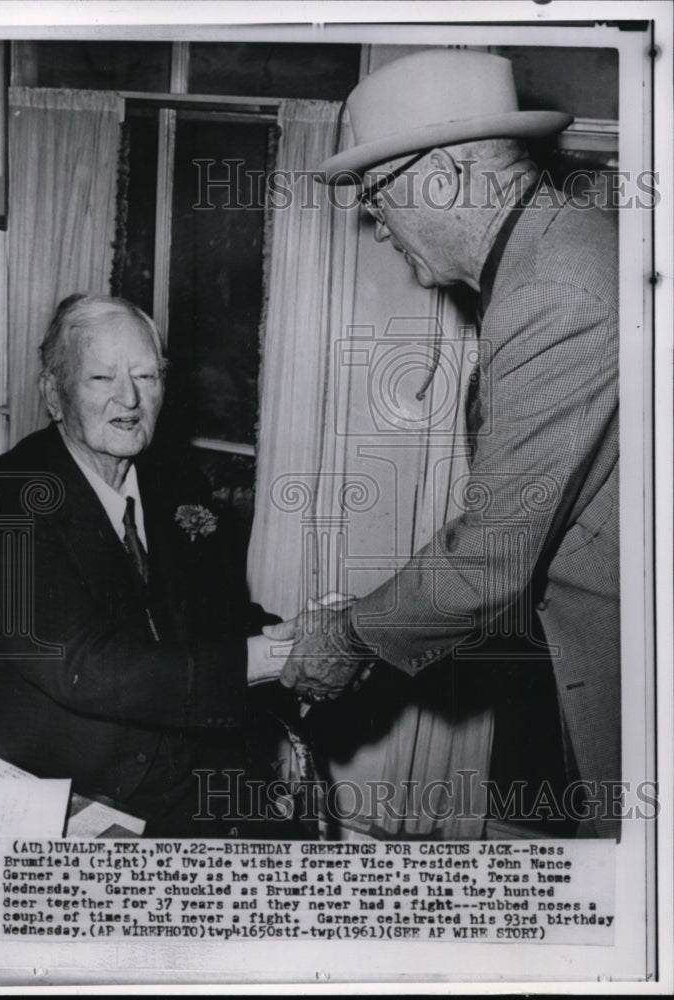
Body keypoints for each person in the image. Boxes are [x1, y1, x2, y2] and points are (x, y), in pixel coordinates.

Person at [265, 49, 619, 837]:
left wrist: (349, 634)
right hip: (559, 661)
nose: (376, 224)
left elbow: (490, 558)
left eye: (377, 197)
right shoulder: (549, 254)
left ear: (445, 176)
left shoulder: (553, 287)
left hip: (607, 674)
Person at [0, 294, 287, 836]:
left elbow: (216, 615)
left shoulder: (175, 483)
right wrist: (267, 658)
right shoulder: (10, 498)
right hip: (73, 793)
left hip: (192, 775)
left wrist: (304, 639)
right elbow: (87, 667)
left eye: (146, 376)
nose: (129, 398)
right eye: (101, 378)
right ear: (54, 394)